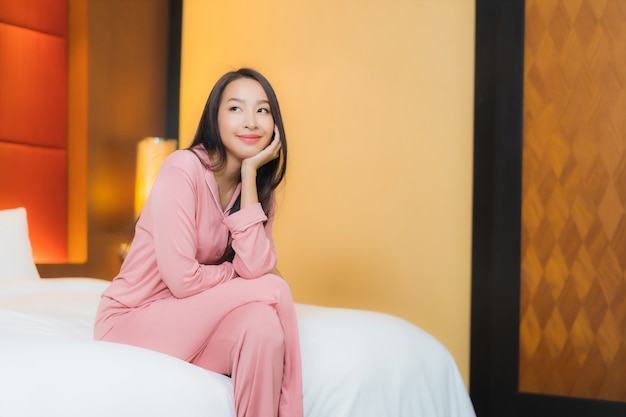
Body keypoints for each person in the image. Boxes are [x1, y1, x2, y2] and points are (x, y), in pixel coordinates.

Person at [94, 68, 303, 417]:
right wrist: (235, 276)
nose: (250, 121)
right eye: (236, 109)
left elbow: (252, 267)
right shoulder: (182, 169)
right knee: (275, 291)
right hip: (132, 321)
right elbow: (183, 280)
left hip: (192, 327)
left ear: (274, 125)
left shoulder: (257, 192)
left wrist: (250, 176)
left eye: (262, 110)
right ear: (215, 119)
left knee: (262, 326)